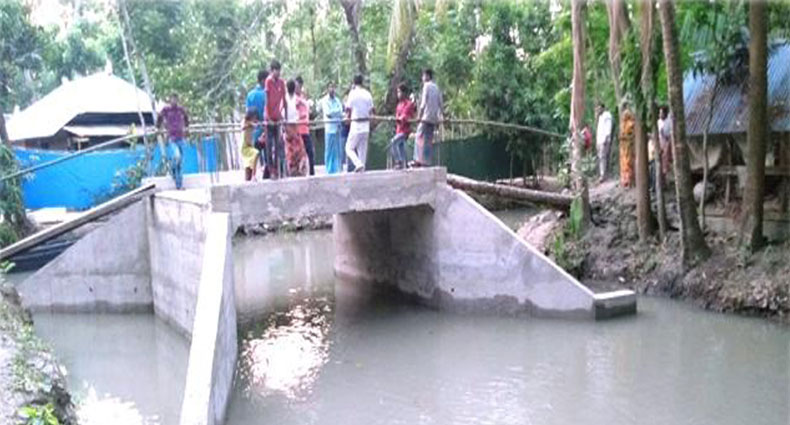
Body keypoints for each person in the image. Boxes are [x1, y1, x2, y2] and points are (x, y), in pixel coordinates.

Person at [156, 93, 189, 190]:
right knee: (177, 156)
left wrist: (187, 128)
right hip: (172, 138)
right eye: (172, 99)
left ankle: (179, 184)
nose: (174, 101)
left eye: (175, 99)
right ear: (170, 100)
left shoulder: (180, 109)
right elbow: (159, 117)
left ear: (177, 100)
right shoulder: (166, 109)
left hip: (181, 137)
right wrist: (158, 127)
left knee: (180, 162)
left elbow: (186, 117)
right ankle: (173, 169)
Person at [412, 68, 443, 167]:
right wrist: (442, 115)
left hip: (426, 117)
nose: (422, 78)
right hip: (434, 118)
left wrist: (419, 116)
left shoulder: (426, 86)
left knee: (418, 136)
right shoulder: (436, 87)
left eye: (423, 76)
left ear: (427, 76)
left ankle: (417, 160)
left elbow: (423, 103)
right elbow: (440, 103)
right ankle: (426, 161)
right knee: (428, 140)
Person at [345, 74, 374, 173]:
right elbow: (371, 111)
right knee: (362, 153)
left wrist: (347, 119)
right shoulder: (367, 94)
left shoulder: (352, 94)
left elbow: (348, 109)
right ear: (362, 82)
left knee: (349, 148)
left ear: (354, 82)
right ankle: (362, 170)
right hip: (366, 125)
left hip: (356, 125)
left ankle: (358, 164)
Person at [265, 60, 287, 178]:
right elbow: (267, 100)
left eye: (279, 70)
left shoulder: (281, 83)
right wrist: (268, 117)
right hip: (269, 118)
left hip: (277, 118)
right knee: (269, 145)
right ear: (272, 71)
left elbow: (284, 100)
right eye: (276, 70)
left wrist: (285, 116)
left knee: (279, 144)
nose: (278, 73)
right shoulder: (268, 81)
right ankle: (271, 170)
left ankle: (279, 169)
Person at [283, 79, 308, 177]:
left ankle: (297, 169)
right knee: (293, 149)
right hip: (290, 126)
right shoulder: (287, 99)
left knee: (296, 149)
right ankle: (293, 169)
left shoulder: (295, 99)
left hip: (293, 126)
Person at [246, 69, 268, 176]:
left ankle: (252, 176)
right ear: (263, 80)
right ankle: (267, 175)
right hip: (266, 129)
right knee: (268, 156)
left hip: (253, 130)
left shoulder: (250, 95)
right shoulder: (266, 94)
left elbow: (247, 113)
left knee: (254, 156)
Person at [321, 82, 345, 174]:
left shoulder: (337, 100)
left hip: (337, 127)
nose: (332, 89)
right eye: (330, 87)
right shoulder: (324, 100)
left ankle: (337, 169)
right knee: (329, 150)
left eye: (333, 87)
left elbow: (341, 111)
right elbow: (328, 113)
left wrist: (335, 113)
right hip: (329, 128)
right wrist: (337, 113)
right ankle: (328, 170)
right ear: (327, 89)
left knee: (338, 150)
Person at [391, 83, 416, 169]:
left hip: (405, 131)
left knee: (393, 142)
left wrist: (400, 118)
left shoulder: (409, 104)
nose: (398, 94)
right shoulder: (399, 105)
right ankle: (405, 164)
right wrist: (396, 119)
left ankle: (399, 162)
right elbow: (397, 116)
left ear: (404, 93)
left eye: (399, 92)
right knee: (400, 147)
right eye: (397, 92)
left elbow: (404, 116)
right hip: (399, 130)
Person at [295, 76, 315, 175]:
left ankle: (312, 172)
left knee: (310, 151)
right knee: (297, 152)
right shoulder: (293, 98)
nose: (297, 88)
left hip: (305, 128)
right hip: (297, 129)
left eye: (299, 86)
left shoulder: (303, 97)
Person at [595, 103, 613, 181]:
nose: (598, 110)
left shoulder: (607, 115)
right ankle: (602, 174)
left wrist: (606, 138)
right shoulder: (600, 117)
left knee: (603, 157)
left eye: (599, 108)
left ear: (603, 108)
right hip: (599, 140)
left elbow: (608, 127)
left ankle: (604, 175)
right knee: (601, 157)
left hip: (604, 140)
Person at [241, 109, 260, 181]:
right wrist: (251, 124)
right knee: (256, 153)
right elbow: (243, 127)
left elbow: (256, 125)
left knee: (249, 165)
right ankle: (253, 175)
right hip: (244, 146)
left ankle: (250, 177)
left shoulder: (253, 124)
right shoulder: (245, 122)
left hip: (249, 145)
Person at [619, 107, 635, 187]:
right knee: (623, 163)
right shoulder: (623, 124)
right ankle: (624, 180)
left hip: (628, 146)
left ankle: (629, 180)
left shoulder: (631, 124)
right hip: (623, 147)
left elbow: (632, 135)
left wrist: (625, 137)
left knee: (628, 163)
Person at [658, 106, 673, 178]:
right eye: (659, 113)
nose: (660, 115)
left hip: (667, 140)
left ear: (665, 113)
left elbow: (670, 133)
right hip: (660, 141)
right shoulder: (659, 122)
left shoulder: (669, 121)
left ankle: (666, 170)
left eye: (661, 113)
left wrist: (666, 136)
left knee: (666, 154)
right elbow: (659, 133)